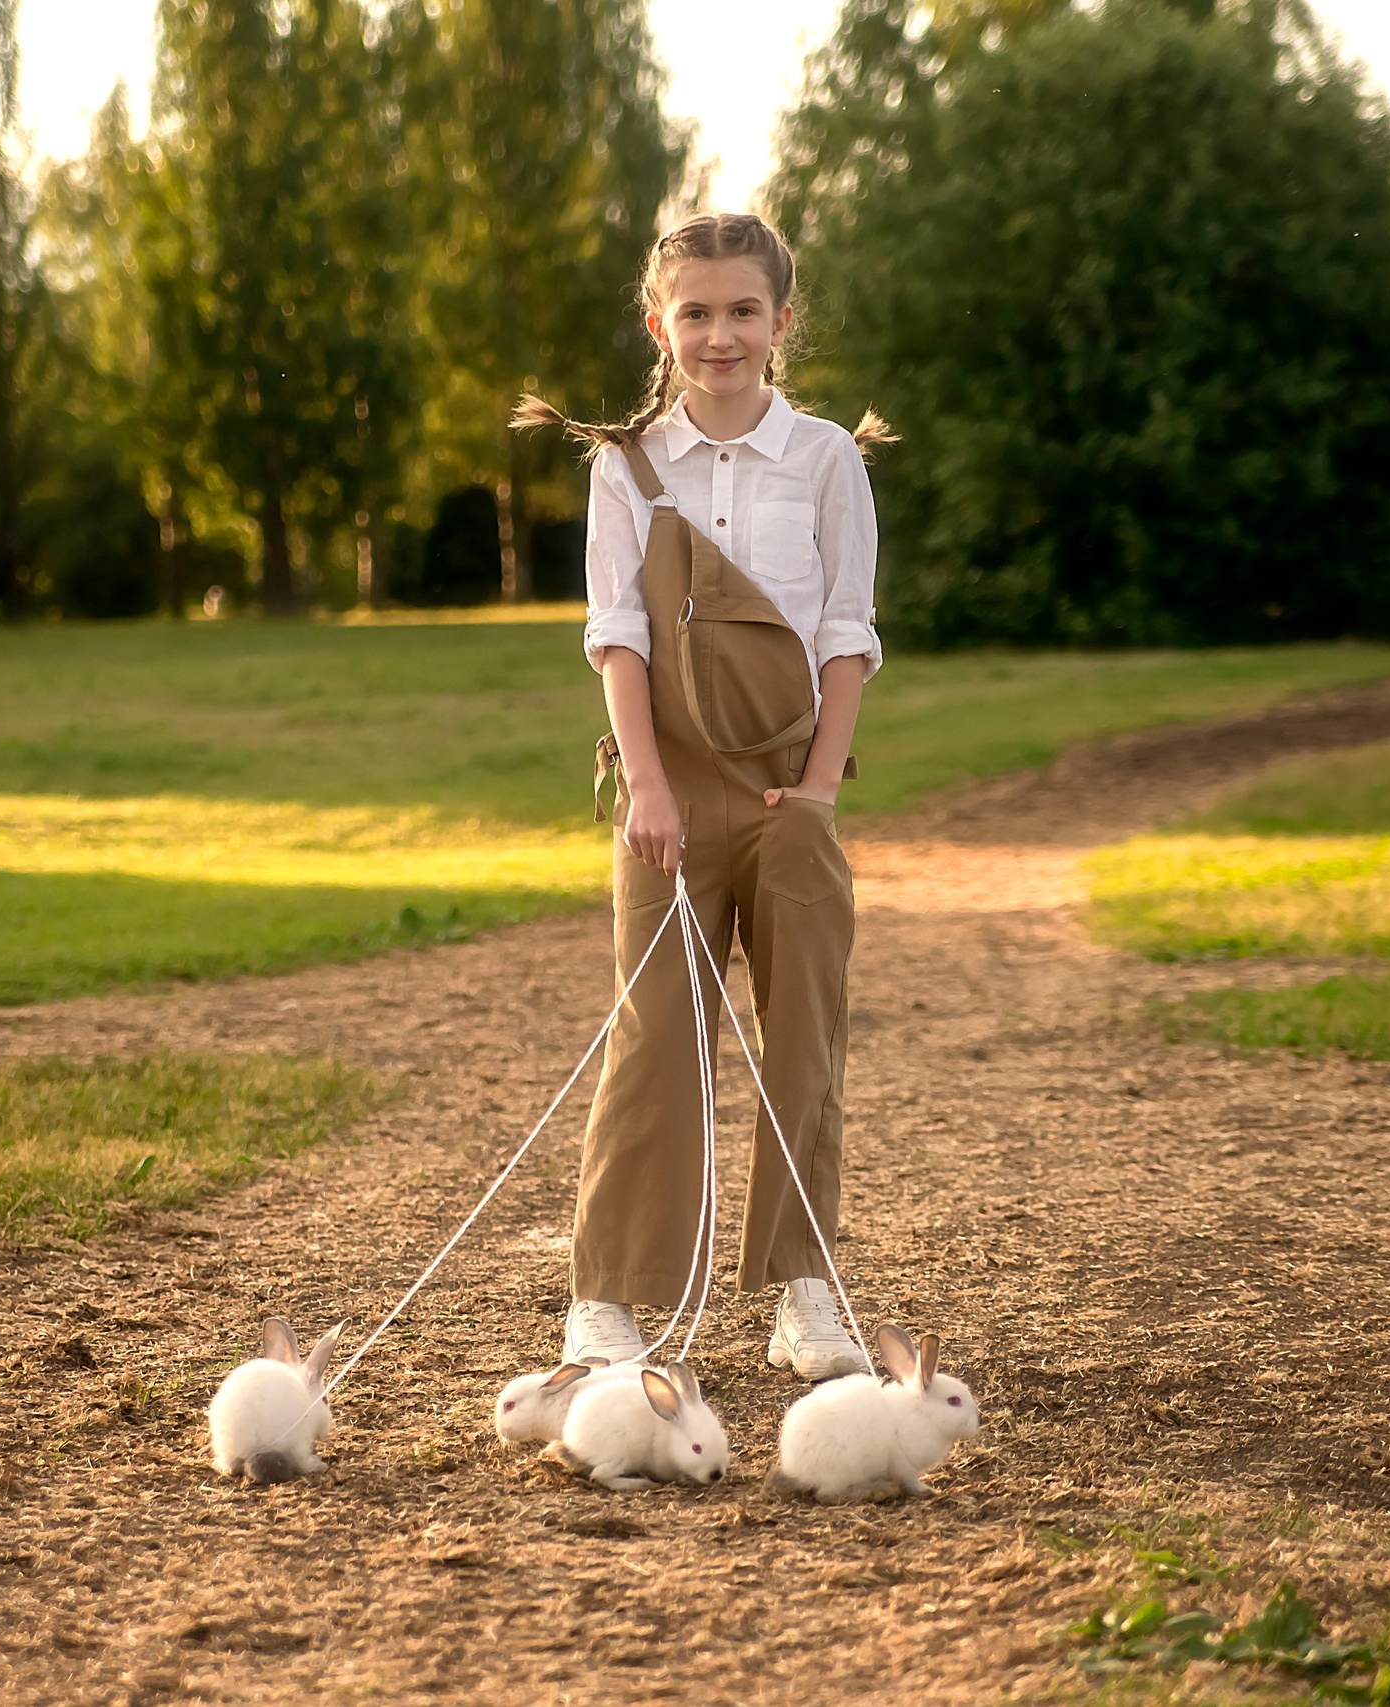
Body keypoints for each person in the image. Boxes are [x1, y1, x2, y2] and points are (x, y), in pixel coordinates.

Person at [513, 212, 893, 1381]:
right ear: (657, 323)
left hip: (791, 795)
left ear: (781, 323)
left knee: (804, 1047)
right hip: (665, 799)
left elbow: (845, 632)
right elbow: (615, 634)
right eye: (694, 312)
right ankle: (610, 1302)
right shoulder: (625, 467)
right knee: (655, 1041)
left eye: (741, 312)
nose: (717, 335)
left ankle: (803, 1288)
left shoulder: (826, 456)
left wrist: (819, 794)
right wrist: (646, 785)